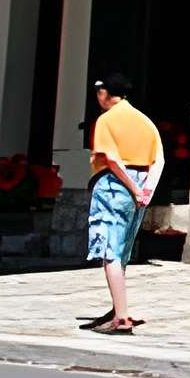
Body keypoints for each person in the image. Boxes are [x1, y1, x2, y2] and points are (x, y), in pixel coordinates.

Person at [78, 73, 163, 335]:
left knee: (110, 251)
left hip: (114, 185)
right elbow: (158, 160)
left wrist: (134, 188)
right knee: (124, 249)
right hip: (141, 183)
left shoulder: (106, 120)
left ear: (104, 93)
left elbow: (112, 160)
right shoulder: (144, 121)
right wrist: (146, 189)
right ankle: (118, 308)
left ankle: (121, 317)